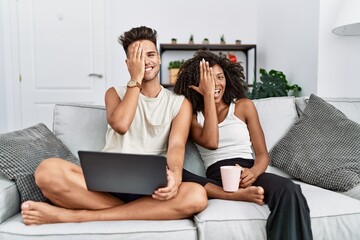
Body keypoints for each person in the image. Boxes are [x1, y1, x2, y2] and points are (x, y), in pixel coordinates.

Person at [20, 26, 207, 225]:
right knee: (46, 171)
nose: (146, 61)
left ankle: (76, 216)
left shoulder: (179, 102)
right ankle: (139, 212)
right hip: (106, 186)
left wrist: (176, 179)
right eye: (137, 58)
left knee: (196, 195)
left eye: (151, 55)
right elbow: (121, 124)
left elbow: (177, 145)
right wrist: (135, 79)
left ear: (159, 58)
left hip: (152, 187)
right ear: (128, 64)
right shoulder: (114, 93)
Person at [174, 50, 313, 240]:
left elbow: (263, 155)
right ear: (197, 84)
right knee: (173, 171)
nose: (216, 84)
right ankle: (231, 194)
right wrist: (207, 97)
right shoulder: (192, 116)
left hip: (248, 173)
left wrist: (253, 173)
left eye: (220, 77)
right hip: (216, 179)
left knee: (290, 189)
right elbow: (211, 142)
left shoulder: (243, 106)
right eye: (208, 79)